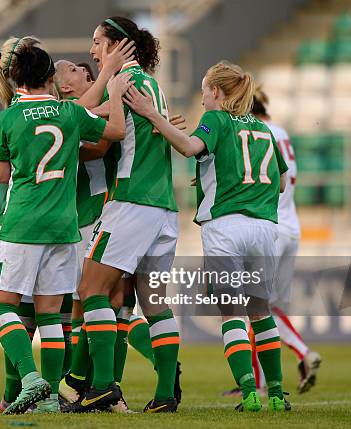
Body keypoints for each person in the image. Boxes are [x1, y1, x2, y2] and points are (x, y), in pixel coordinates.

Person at [124, 60, 291, 412]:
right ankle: (276, 394)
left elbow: (188, 147)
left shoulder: (216, 119)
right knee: (261, 313)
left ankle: (248, 393)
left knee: (232, 314)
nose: (202, 101)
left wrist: (153, 115)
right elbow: (277, 182)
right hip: (264, 228)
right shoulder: (265, 130)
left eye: (203, 92)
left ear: (215, 92)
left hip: (226, 228)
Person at [0, 43, 130, 414]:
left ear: (14, 77)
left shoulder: (7, 118)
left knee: (2, 306)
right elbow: (115, 130)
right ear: (51, 78)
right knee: (52, 315)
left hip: (22, 224)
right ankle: (51, 397)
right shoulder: (68, 112)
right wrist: (113, 92)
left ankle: (29, 378)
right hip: (65, 227)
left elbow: (2, 175)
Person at [73, 16, 181, 414]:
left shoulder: (127, 82)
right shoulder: (153, 84)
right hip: (165, 208)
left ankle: (101, 387)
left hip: (132, 202)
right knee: (154, 303)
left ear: (119, 46)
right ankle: (167, 393)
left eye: (98, 42)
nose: (92, 51)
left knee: (90, 290)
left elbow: (81, 115)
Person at [249, 89, 322, 395]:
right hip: (292, 227)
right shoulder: (282, 133)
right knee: (271, 308)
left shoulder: (258, 132)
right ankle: (264, 383)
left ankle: (303, 353)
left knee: (257, 307)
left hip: (272, 229)